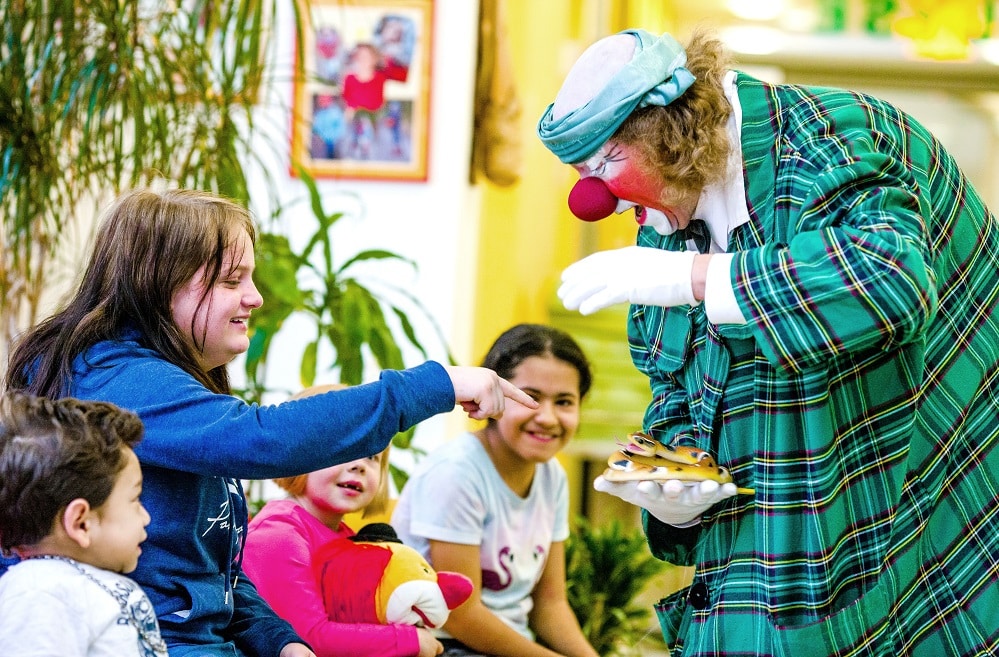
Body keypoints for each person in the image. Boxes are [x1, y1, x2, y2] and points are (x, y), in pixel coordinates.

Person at [536, 27, 999, 657]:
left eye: (602, 167)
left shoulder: (832, 137)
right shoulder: (665, 226)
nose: (596, 201)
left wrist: (699, 277)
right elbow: (673, 391)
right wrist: (670, 490)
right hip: (769, 543)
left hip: (921, 495)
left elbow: (890, 280)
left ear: (667, 132)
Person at [3, 187, 537, 657]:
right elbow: (262, 438)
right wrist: (436, 385)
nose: (255, 297)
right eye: (231, 280)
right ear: (159, 286)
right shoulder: (111, 376)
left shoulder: (155, 379)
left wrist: (279, 640)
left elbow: (215, 572)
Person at [393, 324, 600, 657]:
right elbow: (460, 615)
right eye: (531, 398)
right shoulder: (456, 472)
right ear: (493, 395)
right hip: (441, 644)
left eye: (564, 402)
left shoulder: (552, 477)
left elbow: (550, 604)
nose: (547, 417)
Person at [243, 384, 443, 657]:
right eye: (344, 447)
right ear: (296, 451)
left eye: (372, 454)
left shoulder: (346, 536)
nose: (359, 464)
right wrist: (409, 640)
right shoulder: (277, 534)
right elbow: (307, 639)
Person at [0, 391, 167, 657]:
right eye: (134, 500)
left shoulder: (72, 584)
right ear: (81, 523)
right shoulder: (38, 592)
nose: (145, 517)